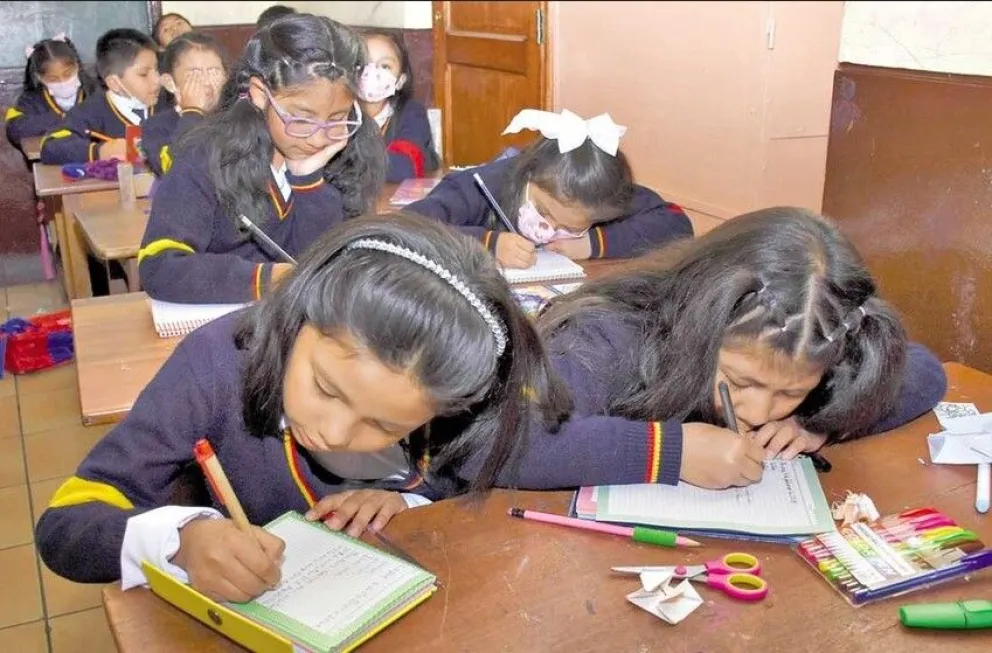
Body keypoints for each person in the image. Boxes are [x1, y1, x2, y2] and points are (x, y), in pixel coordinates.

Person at [35, 213, 571, 603]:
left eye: (384, 426)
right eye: (326, 389)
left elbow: (463, 478)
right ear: (301, 314)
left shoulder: (452, 398)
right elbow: (66, 525)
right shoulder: (215, 364)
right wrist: (179, 542)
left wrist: (407, 500)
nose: (334, 433)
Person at [525, 206, 947, 490]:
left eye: (791, 392)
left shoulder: (817, 341)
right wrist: (670, 453)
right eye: (741, 382)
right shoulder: (610, 334)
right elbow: (516, 440)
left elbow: (925, 372)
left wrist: (818, 421)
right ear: (702, 324)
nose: (760, 413)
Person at [138, 13, 385, 304]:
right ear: (260, 94)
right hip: (224, 323)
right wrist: (270, 279)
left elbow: (328, 265)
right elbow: (160, 265)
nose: (319, 139)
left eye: (337, 118)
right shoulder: (206, 157)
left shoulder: (346, 155)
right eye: (301, 119)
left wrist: (308, 180)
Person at [407, 108, 693, 269]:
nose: (548, 229)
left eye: (568, 227)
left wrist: (592, 243)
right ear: (528, 173)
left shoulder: (600, 196)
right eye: (543, 211)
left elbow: (676, 223)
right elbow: (406, 225)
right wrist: (487, 244)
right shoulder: (477, 187)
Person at [40, 28, 165, 164]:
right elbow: (50, 146)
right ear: (114, 83)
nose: (157, 80)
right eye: (143, 74)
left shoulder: (169, 101)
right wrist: (99, 151)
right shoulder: (91, 111)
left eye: (156, 69)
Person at [357, 29, 439, 182]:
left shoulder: (412, 113)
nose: (372, 72)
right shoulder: (337, 113)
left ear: (400, 81)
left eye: (385, 66)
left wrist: (343, 166)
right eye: (362, 63)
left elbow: (403, 168)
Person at [142, 32, 228, 176]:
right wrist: (192, 113)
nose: (206, 82)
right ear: (170, 83)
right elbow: (173, 170)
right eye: (194, 74)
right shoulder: (157, 126)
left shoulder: (238, 118)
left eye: (214, 72)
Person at [4, 34, 97, 156]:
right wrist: (64, 118)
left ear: (77, 66)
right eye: (53, 79)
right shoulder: (30, 99)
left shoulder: (95, 90)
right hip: (51, 160)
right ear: (40, 78)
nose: (63, 82)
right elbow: (14, 129)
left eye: (68, 74)